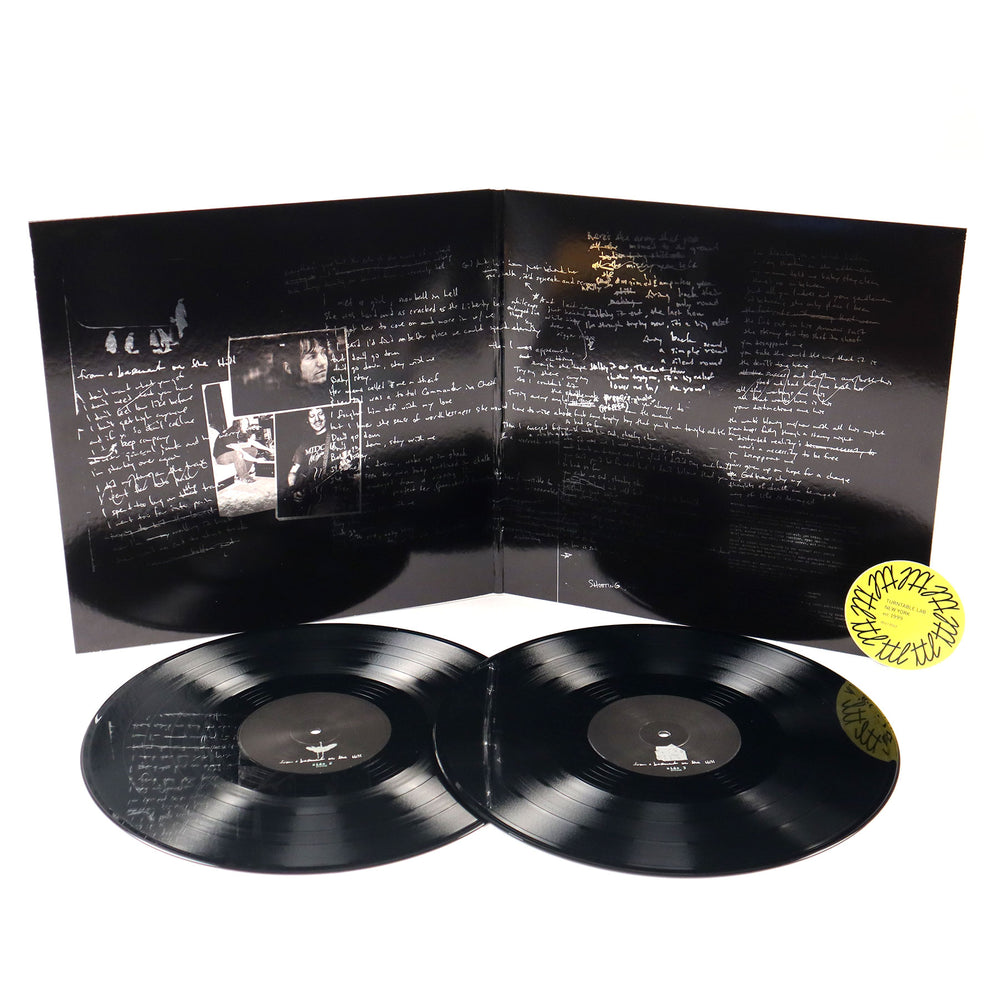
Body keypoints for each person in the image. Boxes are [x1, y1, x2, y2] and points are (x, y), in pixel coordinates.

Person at [283, 407, 359, 517]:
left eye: (320, 414)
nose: (317, 419)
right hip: (312, 496)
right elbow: (293, 471)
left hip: (334, 493)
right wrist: (293, 489)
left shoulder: (339, 436)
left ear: (326, 415)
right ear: (307, 419)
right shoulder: (304, 444)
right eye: (312, 416)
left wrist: (347, 465)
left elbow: (348, 461)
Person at [213, 417, 266, 483]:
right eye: (244, 424)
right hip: (220, 458)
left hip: (230, 453)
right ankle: (244, 477)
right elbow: (242, 452)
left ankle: (240, 474)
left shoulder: (239, 432)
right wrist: (257, 460)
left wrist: (269, 450)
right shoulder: (230, 434)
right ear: (238, 424)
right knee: (238, 454)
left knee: (253, 450)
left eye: (247, 423)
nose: (247, 426)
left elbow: (253, 442)